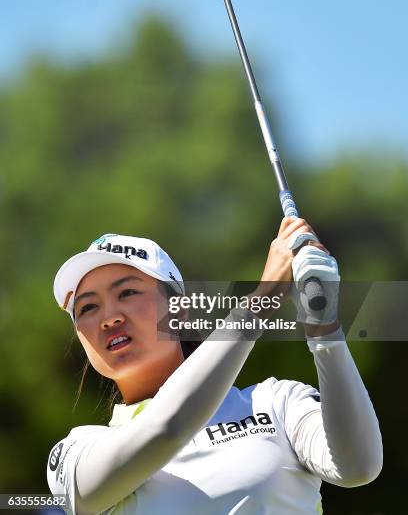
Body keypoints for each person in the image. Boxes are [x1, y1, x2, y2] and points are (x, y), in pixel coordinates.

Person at [47, 217, 383, 515]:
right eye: (88, 308)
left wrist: (325, 329)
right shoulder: (75, 453)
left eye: (128, 292)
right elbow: (167, 429)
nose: (109, 317)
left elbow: (359, 467)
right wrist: (261, 300)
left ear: (178, 310)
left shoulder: (277, 402)